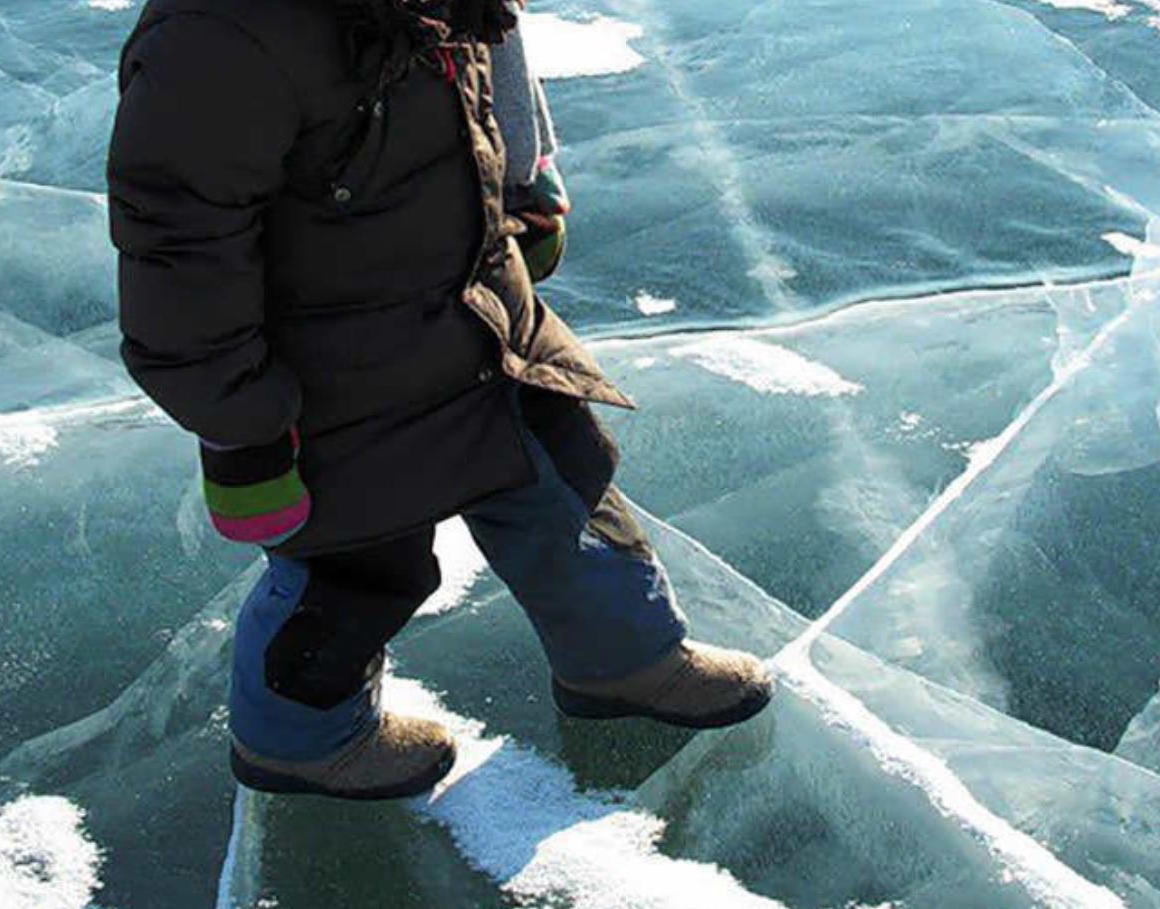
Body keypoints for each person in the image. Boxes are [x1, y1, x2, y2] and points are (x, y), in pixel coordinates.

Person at [106, 0, 773, 801]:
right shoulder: (220, 36)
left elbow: (496, 67)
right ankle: (297, 740)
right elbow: (178, 255)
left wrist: (526, 186)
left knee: (566, 487)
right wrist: (242, 421)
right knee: (353, 568)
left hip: (483, 316)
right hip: (335, 380)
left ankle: (628, 662)